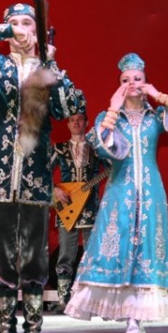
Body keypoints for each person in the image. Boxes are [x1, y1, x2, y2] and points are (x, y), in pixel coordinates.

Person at [0, 3, 85, 333]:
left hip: (36, 178)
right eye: (14, 23)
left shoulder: (45, 69)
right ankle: (5, 323)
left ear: (39, 32)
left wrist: (50, 63)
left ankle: (34, 323)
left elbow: (69, 107)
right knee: (1, 254)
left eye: (27, 23)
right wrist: (5, 30)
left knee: (35, 255)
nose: (20, 28)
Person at [65, 53, 168, 333]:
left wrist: (158, 95)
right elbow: (102, 147)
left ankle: (135, 318)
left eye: (138, 78)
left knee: (145, 248)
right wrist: (113, 109)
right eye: (126, 80)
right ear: (119, 85)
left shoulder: (156, 117)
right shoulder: (109, 118)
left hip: (151, 191)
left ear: (145, 82)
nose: (132, 83)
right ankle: (120, 310)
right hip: (120, 191)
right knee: (119, 245)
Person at [49, 111, 106, 313]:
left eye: (80, 119)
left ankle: (90, 301)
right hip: (67, 206)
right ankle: (63, 300)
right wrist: (55, 189)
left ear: (86, 122)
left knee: (92, 255)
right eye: (72, 120)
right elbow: (44, 172)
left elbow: (113, 168)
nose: (76, 123)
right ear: (67, 124)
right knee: (65, 254)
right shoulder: (59, 148)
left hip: (91, 207)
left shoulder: (96, 149)